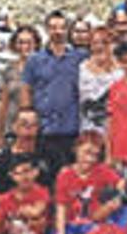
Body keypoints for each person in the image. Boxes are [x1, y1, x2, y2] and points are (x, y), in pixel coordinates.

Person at [21, 10, 87, 174]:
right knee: (45, 175)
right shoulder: (35, 60)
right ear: (46, 30)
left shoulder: (80, 57)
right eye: (53, 27)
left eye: (61, 27)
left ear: (67, 30)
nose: (57, 31)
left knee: (71, 176)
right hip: (44, 129)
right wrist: (27, 120)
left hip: (72, 129)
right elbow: (26, 89)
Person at [54, 131, 122, 234]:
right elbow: (61, 208)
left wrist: (114, 201)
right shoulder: (65, 175)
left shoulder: (102, 171)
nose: (90, 159)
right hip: (71, 225)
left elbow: (121, 184)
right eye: (87, 152)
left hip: (94, 225)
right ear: (76, 149)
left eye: (95, 155)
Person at [0, 153, 52, 234]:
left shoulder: (42, 192)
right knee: (0, 225)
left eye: (27, 171)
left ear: (35, 172)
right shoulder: (7, 199)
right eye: (18, 173)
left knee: (37, 221)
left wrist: (18, 213)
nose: (24, 177)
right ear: (12, 176)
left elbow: (36, 212)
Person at [0, 108, 57, 199]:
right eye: (24, 124)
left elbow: (59, 189)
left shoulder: (51, 154)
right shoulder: (3, 159)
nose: (29, 127)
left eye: (33, 124)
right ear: (14, 127)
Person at [0, 25, 41, 149]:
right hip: (12, 129)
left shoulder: (42, 69)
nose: (24, 46)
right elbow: (3, 104)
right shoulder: (9, 70)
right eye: (20, 42)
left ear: (36, 44)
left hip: (35, 130)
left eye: (29, 42)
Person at [79, 26, 122, 135]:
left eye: (105, 42)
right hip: (88, 133)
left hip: (117, 132)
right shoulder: (81, 69)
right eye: (95, 43)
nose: (100, 46)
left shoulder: (122, 71)